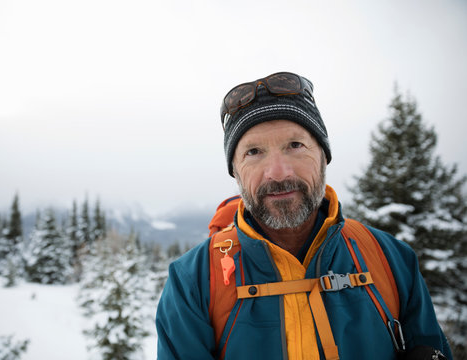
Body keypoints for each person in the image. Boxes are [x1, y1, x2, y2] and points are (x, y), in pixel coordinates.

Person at [155, 72, 452, 359]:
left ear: (323, 155)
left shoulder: (390, 259)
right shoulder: (193, 280)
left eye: (295, 145)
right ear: (236, 173)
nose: (278, 172)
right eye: (254, 152)